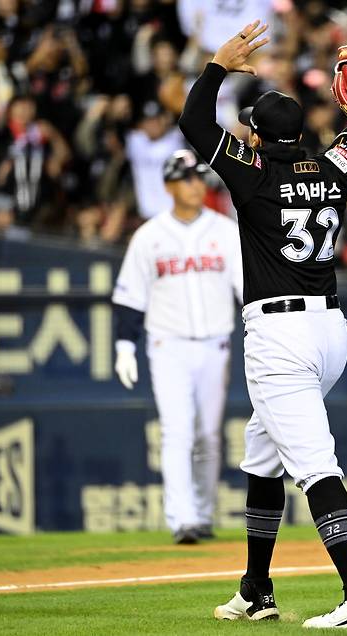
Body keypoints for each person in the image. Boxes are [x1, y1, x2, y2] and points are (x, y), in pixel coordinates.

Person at [178, 22, 347, 628]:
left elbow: (195, 123)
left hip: (280, 338)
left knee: (315, 465)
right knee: (263, 458)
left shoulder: (254, 174)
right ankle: (256, 588)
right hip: (330, 334)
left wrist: (218, 65)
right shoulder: (331, 168)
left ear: (254, 135)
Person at [112, 149, 243, 544]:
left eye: (199, 178)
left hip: (215, 344)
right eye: (187, 178)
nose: (195, 185)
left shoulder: (225, 230)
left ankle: (202, 514)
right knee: (177, 432)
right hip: (167, 344)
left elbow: (246, 290)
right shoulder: (149, 236)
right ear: (169, 185)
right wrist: (123, 345)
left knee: (208, 435)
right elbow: (129, 297)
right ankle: (181, 518)